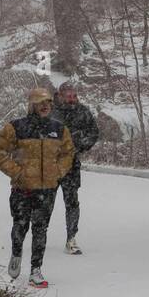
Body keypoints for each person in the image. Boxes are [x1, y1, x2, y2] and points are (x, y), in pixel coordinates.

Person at [0, 87, 75, 289]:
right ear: (32, 106)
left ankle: (36, 269)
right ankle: (16, 254)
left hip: (47, 190)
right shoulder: (16, 127)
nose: (45, 106)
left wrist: (58, 171)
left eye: (47, 103)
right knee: (20, 225)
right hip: (23, 188)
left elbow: (68, 153)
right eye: (40, 103)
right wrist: (17, 172)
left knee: (41, 229)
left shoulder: (59, 129)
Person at [50, 80, 100, 254]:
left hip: (71, 164)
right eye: (69, 96)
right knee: (45, 202)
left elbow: (94, 132)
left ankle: (71, 238)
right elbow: (37, 133)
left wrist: (81, 145)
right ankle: (38, 234)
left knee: (72, 202)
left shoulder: (82, 112)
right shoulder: (50, 111)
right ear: (61, 96)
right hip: (51, 165)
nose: (72, 99)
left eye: (75, 95)